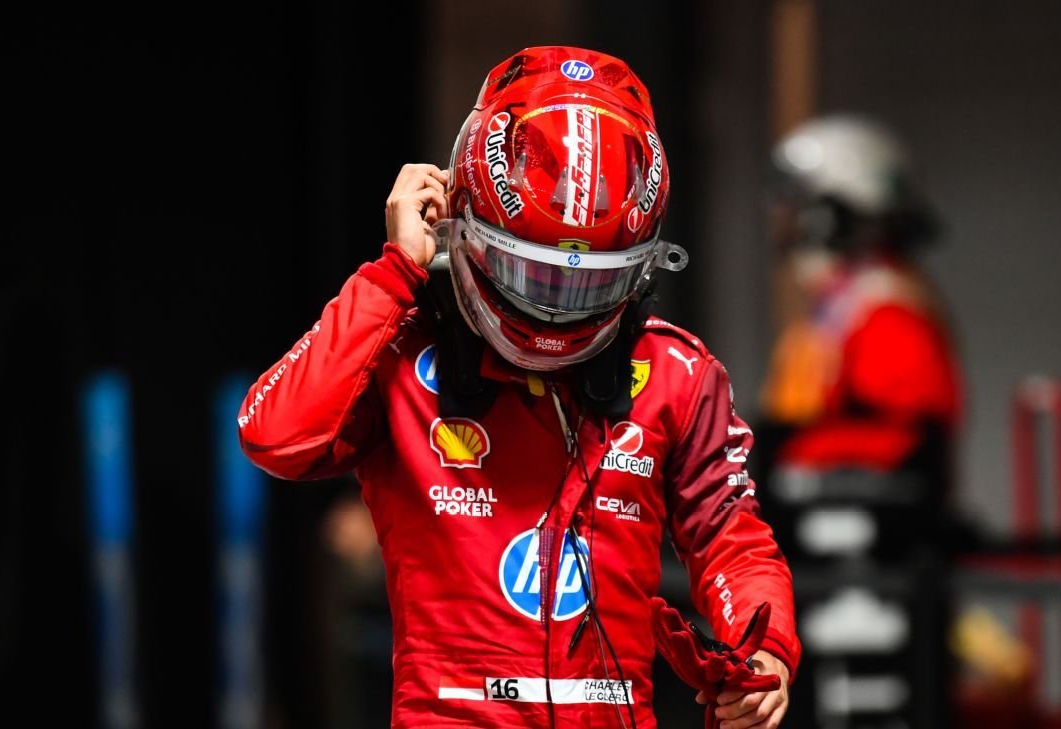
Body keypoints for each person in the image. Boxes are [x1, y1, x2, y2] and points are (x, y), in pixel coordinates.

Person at [237, 46, 799, 728]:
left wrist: (763, 650)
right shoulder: (401, 353)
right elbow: (275, 435)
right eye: (535, 275)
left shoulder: (678, 373)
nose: (555, 308)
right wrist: (393, 273)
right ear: (462, 225)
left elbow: (731, 539)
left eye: (586, 283)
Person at [759, 114, 962, 488]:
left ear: (831, 216)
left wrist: (783, 451)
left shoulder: (888, 313)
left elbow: (908, 445)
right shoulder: (845, 306)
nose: (788, 229)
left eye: (797, 212)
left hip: (865, 520)